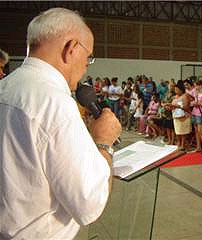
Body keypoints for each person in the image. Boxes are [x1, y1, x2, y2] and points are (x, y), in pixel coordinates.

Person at [0, 8, 122, 239]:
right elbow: (89, 206)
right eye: (89, 57)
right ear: (71, 48)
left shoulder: (6, 86)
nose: (87, 65)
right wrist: (104, 143)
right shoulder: (55, 102)